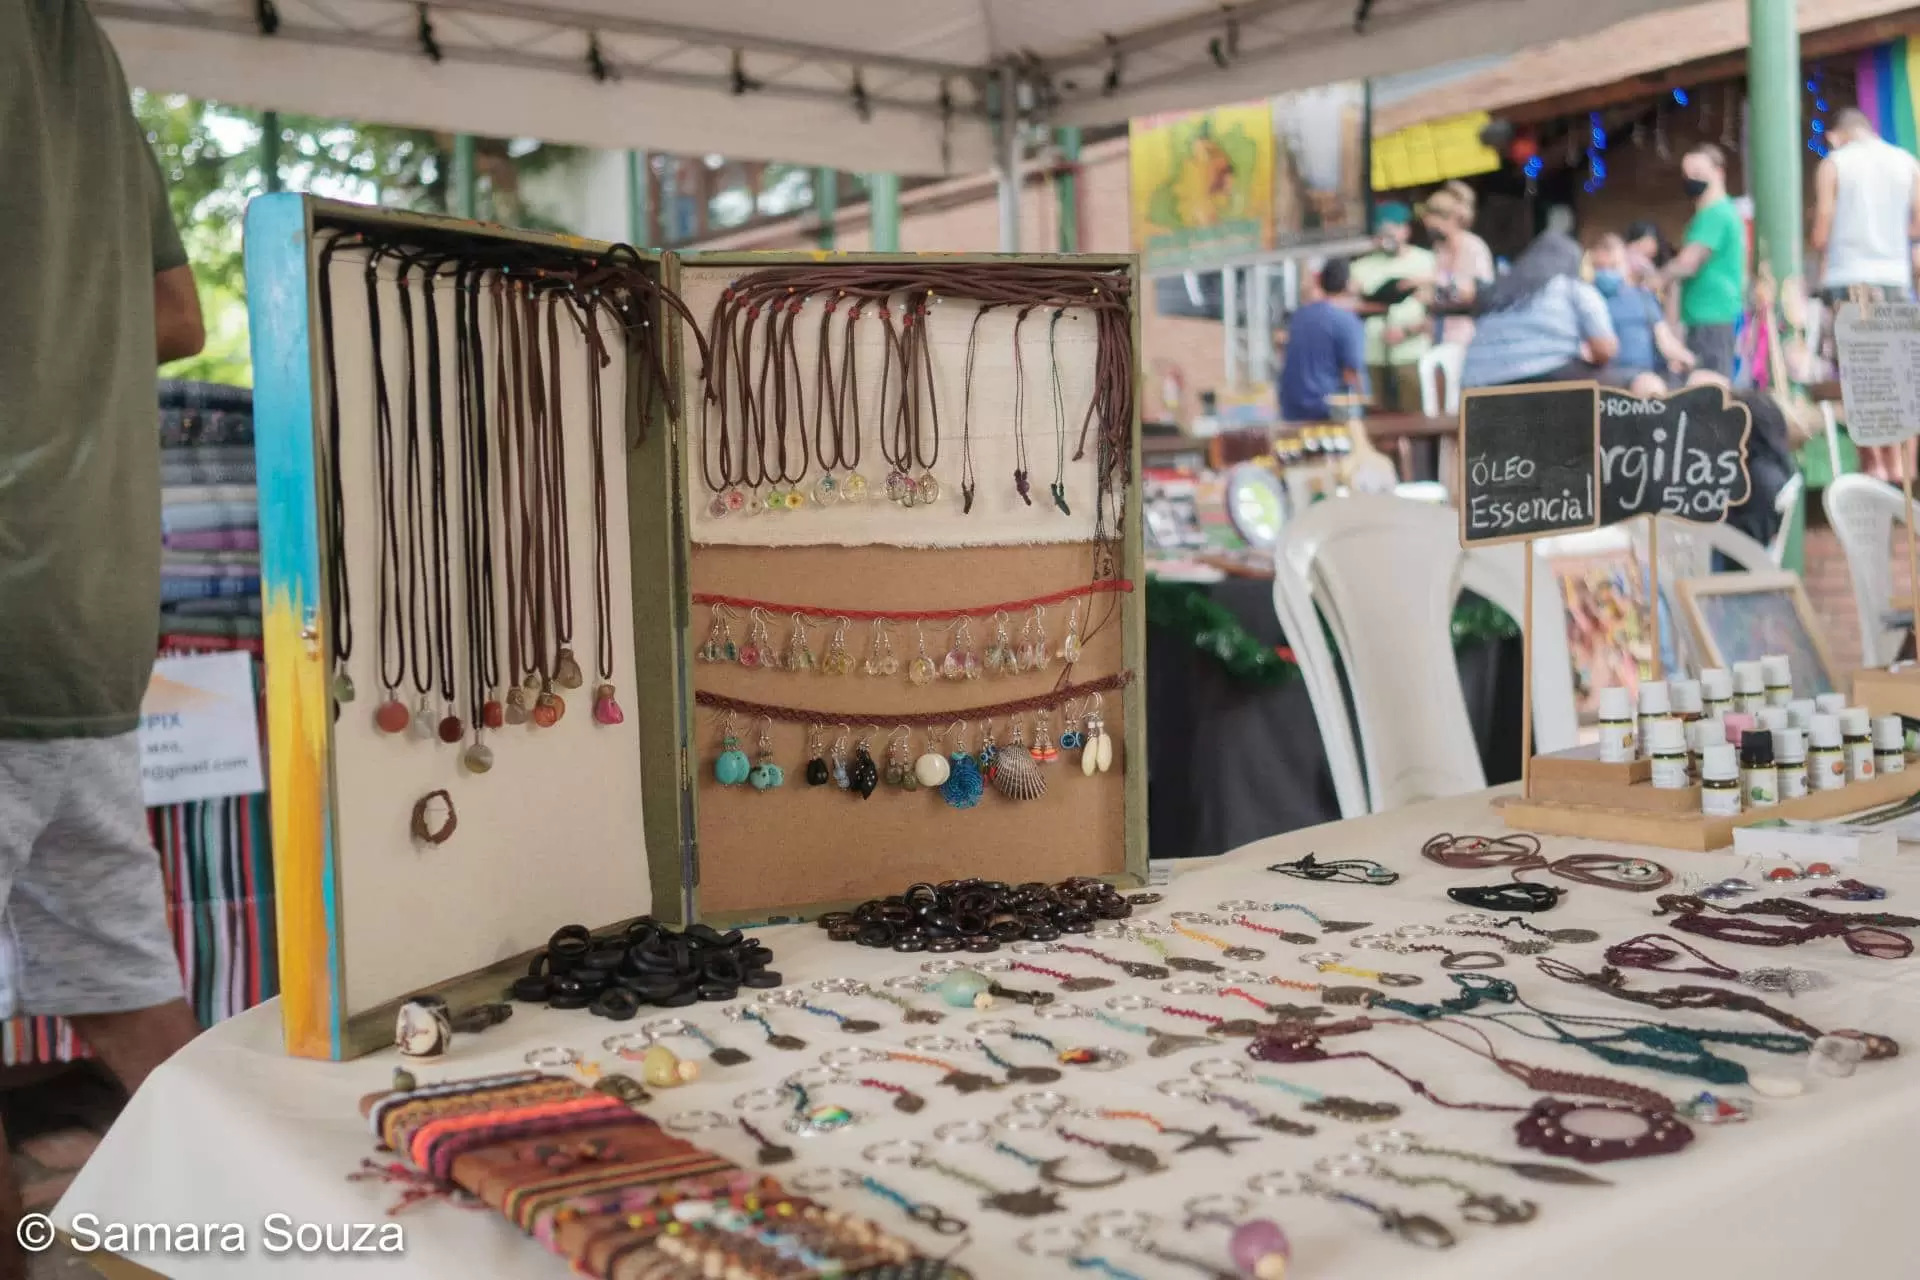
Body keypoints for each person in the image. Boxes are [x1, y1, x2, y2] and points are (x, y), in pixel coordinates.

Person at [2, 5, 206, 1274]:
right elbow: (176, 314)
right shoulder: (80, 43)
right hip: (86, 599)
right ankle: (262, 1246)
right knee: (132, 998)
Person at [1461, 231, 1618, 388]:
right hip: (1547, 376)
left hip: (1479, 384)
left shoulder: (1500, 288)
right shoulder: (1573, 287)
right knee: (1614, 383)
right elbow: (1604, 349)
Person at [1656, 144, 1747, 378]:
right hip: (1708, 315)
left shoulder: (1715, 214)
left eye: (1698, 172)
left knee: (1708, 386)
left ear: (1719, 172)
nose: (1691, 179)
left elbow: (1687, 263)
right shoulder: (1721, 212)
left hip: (1710, 316)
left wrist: (1655, 279)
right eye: (1687, 174)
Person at [1812, 106, 1920, 301]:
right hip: (1896, 278)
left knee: (1850, 322)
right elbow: (1917, 225)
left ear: (1833, 137)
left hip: (1846, 277)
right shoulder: (1908, 163)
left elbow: (1821, 232)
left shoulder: (1834, 163)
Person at [1348, 202, 1434, 413]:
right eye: (1383, 230)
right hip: (1372, 356)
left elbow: (1434, 311)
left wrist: (1406, 331)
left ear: (1406, 229)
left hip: (1411, 354)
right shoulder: (1360, 266)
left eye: (1393, 228)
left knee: (1415, 417)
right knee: (1377, 419)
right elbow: (1351, 307)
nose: (1388, 235)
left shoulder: (1426, 261)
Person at [1589, 233, 1694, 395]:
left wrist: (1687, 359)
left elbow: (1665, 339)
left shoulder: (1643, 297)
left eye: (1614, 266)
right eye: (1601, 268)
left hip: (1650, 371)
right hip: (1611, 376)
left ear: (1625, 266)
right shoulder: (1587, 298)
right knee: (1649, 386)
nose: (1607, 273)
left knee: (1709, 381)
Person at [1277, 258, 1368, 422]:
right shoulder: (1347, 321)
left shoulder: (1299, 315)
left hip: (1292, 407)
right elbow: (1352, 373)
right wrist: (1365, 406)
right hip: (1327, 409)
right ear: (1348, 285)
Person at [1422, 181, 1495, 347]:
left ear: (1451, 219)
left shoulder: (1474, 247)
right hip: (1440, 335)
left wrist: (1433, 283)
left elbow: (1477, 293)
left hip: (1470, 337)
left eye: (1434, 223)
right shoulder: (1440, 249)